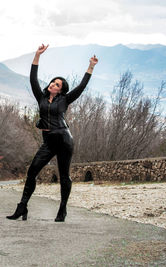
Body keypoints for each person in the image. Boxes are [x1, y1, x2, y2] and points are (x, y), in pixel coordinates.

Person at [7, 44, 98, 222]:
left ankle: (62, 210)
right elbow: (33, 78)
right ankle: (22, 207)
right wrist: (37, 55)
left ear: (61, 90)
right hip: (48, 142)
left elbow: (81, 87)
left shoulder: (65, 100)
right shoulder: (40, 97)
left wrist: (91, 67)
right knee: (32, 171)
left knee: (64, 176)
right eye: (52, 82)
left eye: (57, 84)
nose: (52, 84)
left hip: (64, 140)